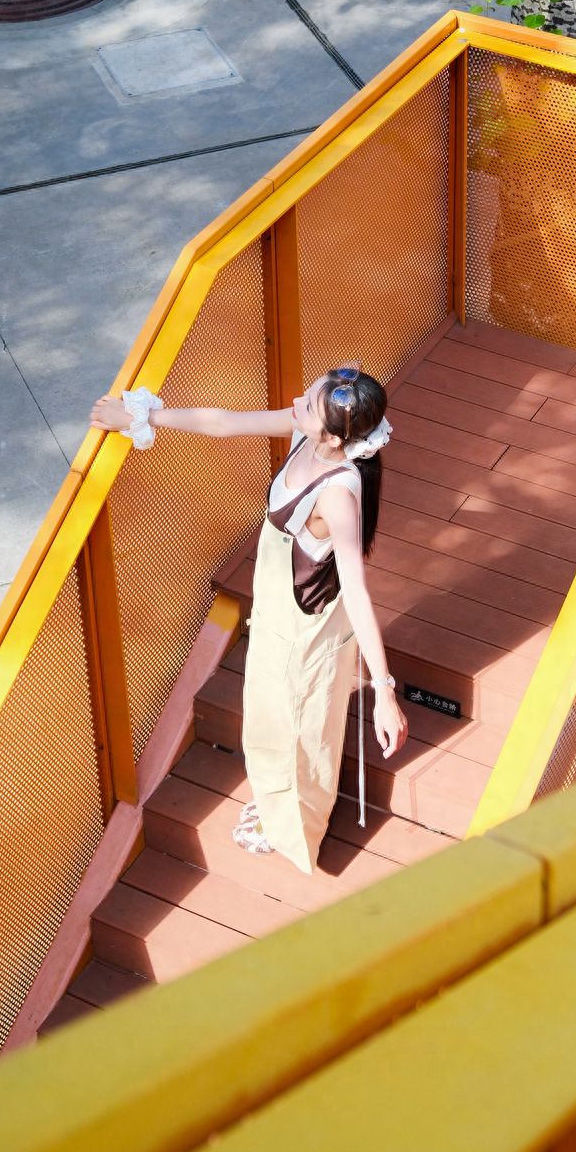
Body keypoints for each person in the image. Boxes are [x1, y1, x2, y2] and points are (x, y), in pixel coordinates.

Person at [89, 365, 407, 874]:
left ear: (332, 436)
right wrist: (143, 416)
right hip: (280, 605)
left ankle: (299, 829)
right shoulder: (310, 433)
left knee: (299, 725)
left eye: (310, 402)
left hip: (306, 625)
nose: (298, 398)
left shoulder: (338, 496)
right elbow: (227, 423)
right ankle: (278, 804)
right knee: (270, 714)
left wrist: (384, 694)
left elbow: (358, 591)